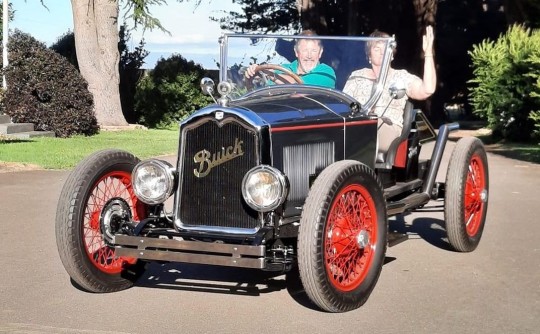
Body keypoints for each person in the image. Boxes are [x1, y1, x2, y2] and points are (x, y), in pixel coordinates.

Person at [343, 26, 436, 153]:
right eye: (377, 49)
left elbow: (427, 90)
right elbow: (342, 105)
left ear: (392, 54)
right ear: (369, 54)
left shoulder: (401, 77)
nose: (382, 53)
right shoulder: (357, 75)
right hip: (355, 126)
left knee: (369, 127)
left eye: (386, 49)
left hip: (388, 129)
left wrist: (428, 54)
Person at [245, 30, 336, 89]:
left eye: (313, 51)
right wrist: (255, 73)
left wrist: (270, 74)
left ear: (320, 53)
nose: (309, 56)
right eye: (305, 50)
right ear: (296, 52)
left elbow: (300, 85)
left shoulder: (326, 73)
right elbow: (265, 82)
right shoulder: (283, 69)